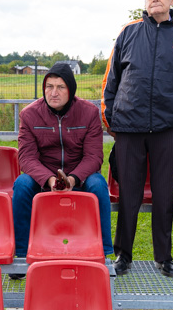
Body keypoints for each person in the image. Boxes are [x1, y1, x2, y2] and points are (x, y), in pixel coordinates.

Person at [101, 0, 173, 277]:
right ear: (144, 2)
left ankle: (164, 256)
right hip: (129, 130)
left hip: (169, 131)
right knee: (129, 196)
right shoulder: (128, 33)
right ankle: (123, 255)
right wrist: (112, 120)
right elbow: (111, 82)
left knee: (163, 195)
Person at [11, 62, 112, 278]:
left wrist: (73, 179)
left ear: (71, 89)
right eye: (49, 86)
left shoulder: (89, 113)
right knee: (21, 184)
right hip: (44, 177)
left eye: (60, 87)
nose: (53, 92)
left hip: (79, 176)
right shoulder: (30, 115)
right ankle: (20, 256)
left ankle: (104, 254)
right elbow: (26, 157)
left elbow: (94, 156)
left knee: (98, 184)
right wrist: (49, 180)